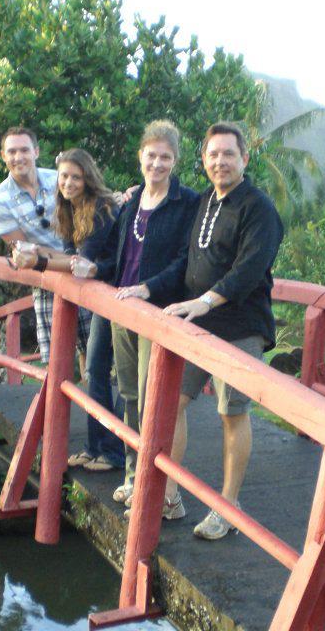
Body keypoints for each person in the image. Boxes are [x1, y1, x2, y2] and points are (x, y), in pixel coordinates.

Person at [72, 120, 200, 519]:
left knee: (151, 402)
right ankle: (132, 475)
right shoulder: (130, 203)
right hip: (120, 310)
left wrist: (150, 287)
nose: (157, 163)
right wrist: (95, 270)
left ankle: (155, 487)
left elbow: (186, 261)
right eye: (151, 155)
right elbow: (117, 255)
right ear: (140, 156)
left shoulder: (187, 203)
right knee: (128, 394)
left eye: (165, 157)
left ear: (175, 161)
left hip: (155, 314)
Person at [163, 121, 284, 540]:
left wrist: (205, 300)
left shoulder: (258, 208)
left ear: (244, 158)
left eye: (228, 154)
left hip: (239, 327)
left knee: (231, 412)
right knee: (172, 402)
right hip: (198, 326)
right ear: (203, 160)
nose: (220, 161)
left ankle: (228, 506)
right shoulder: (204, 203)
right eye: (213, 155)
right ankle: (170, 494)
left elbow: (248, 270)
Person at [10, 148, 125, 472]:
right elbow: (73, 256)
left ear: (87, 178)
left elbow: (81, 262)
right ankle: (93, 448)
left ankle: (112, 452)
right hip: (100, 292)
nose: (69, 182)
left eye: (76, 176)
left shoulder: (102, 207)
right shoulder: (70, 207)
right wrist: (37, 254)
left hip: (115, 292)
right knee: (95, 372)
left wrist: (39, 261)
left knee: (109, 374)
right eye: (64, 176)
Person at [0, 127, 67, 366]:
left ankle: (88, 401)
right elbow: (27, 249)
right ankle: (56, 403)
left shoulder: (59, 179)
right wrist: (72, 262)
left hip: (85, 273)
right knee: (57, 359)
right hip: (48, 275)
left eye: (24, 150)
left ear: (36, 152)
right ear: (2, 155)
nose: (18, 157)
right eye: (11, 151)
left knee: (92, 350)